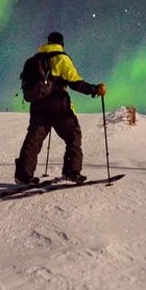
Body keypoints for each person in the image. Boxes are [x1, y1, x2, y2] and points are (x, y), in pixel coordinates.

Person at [15, 31, 106, 184]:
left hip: (37, 104)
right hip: (58, 104)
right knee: (73, 135)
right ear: (61, 44)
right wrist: (94, 89)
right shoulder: (61, 57)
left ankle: (23, 175)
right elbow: (75, 82)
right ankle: (71, 171)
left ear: (48, 43)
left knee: (34, 138)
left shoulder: (35, 59)